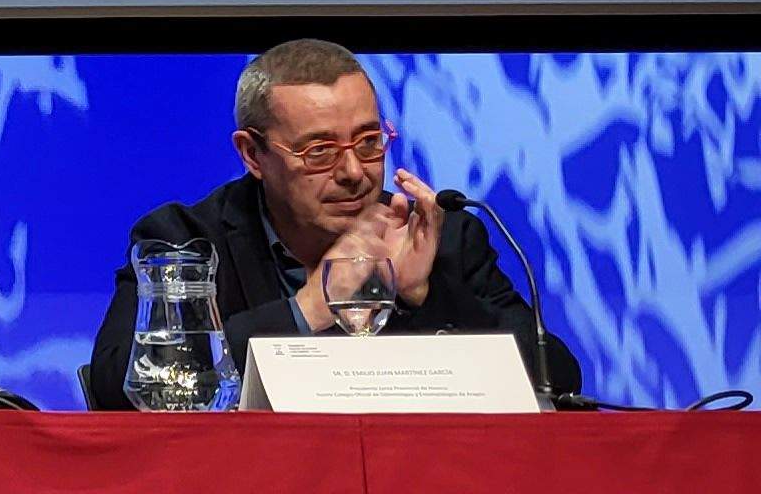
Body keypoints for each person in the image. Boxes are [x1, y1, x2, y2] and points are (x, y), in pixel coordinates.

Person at [85, 38, 564, 408]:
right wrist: (309, 307)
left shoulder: (441, 235)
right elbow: (117, 384)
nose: (354, 172)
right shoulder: (186, 242)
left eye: (369, 141)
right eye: (320, 152)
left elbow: (558, 378)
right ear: (253, 154)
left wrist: (428, 296)